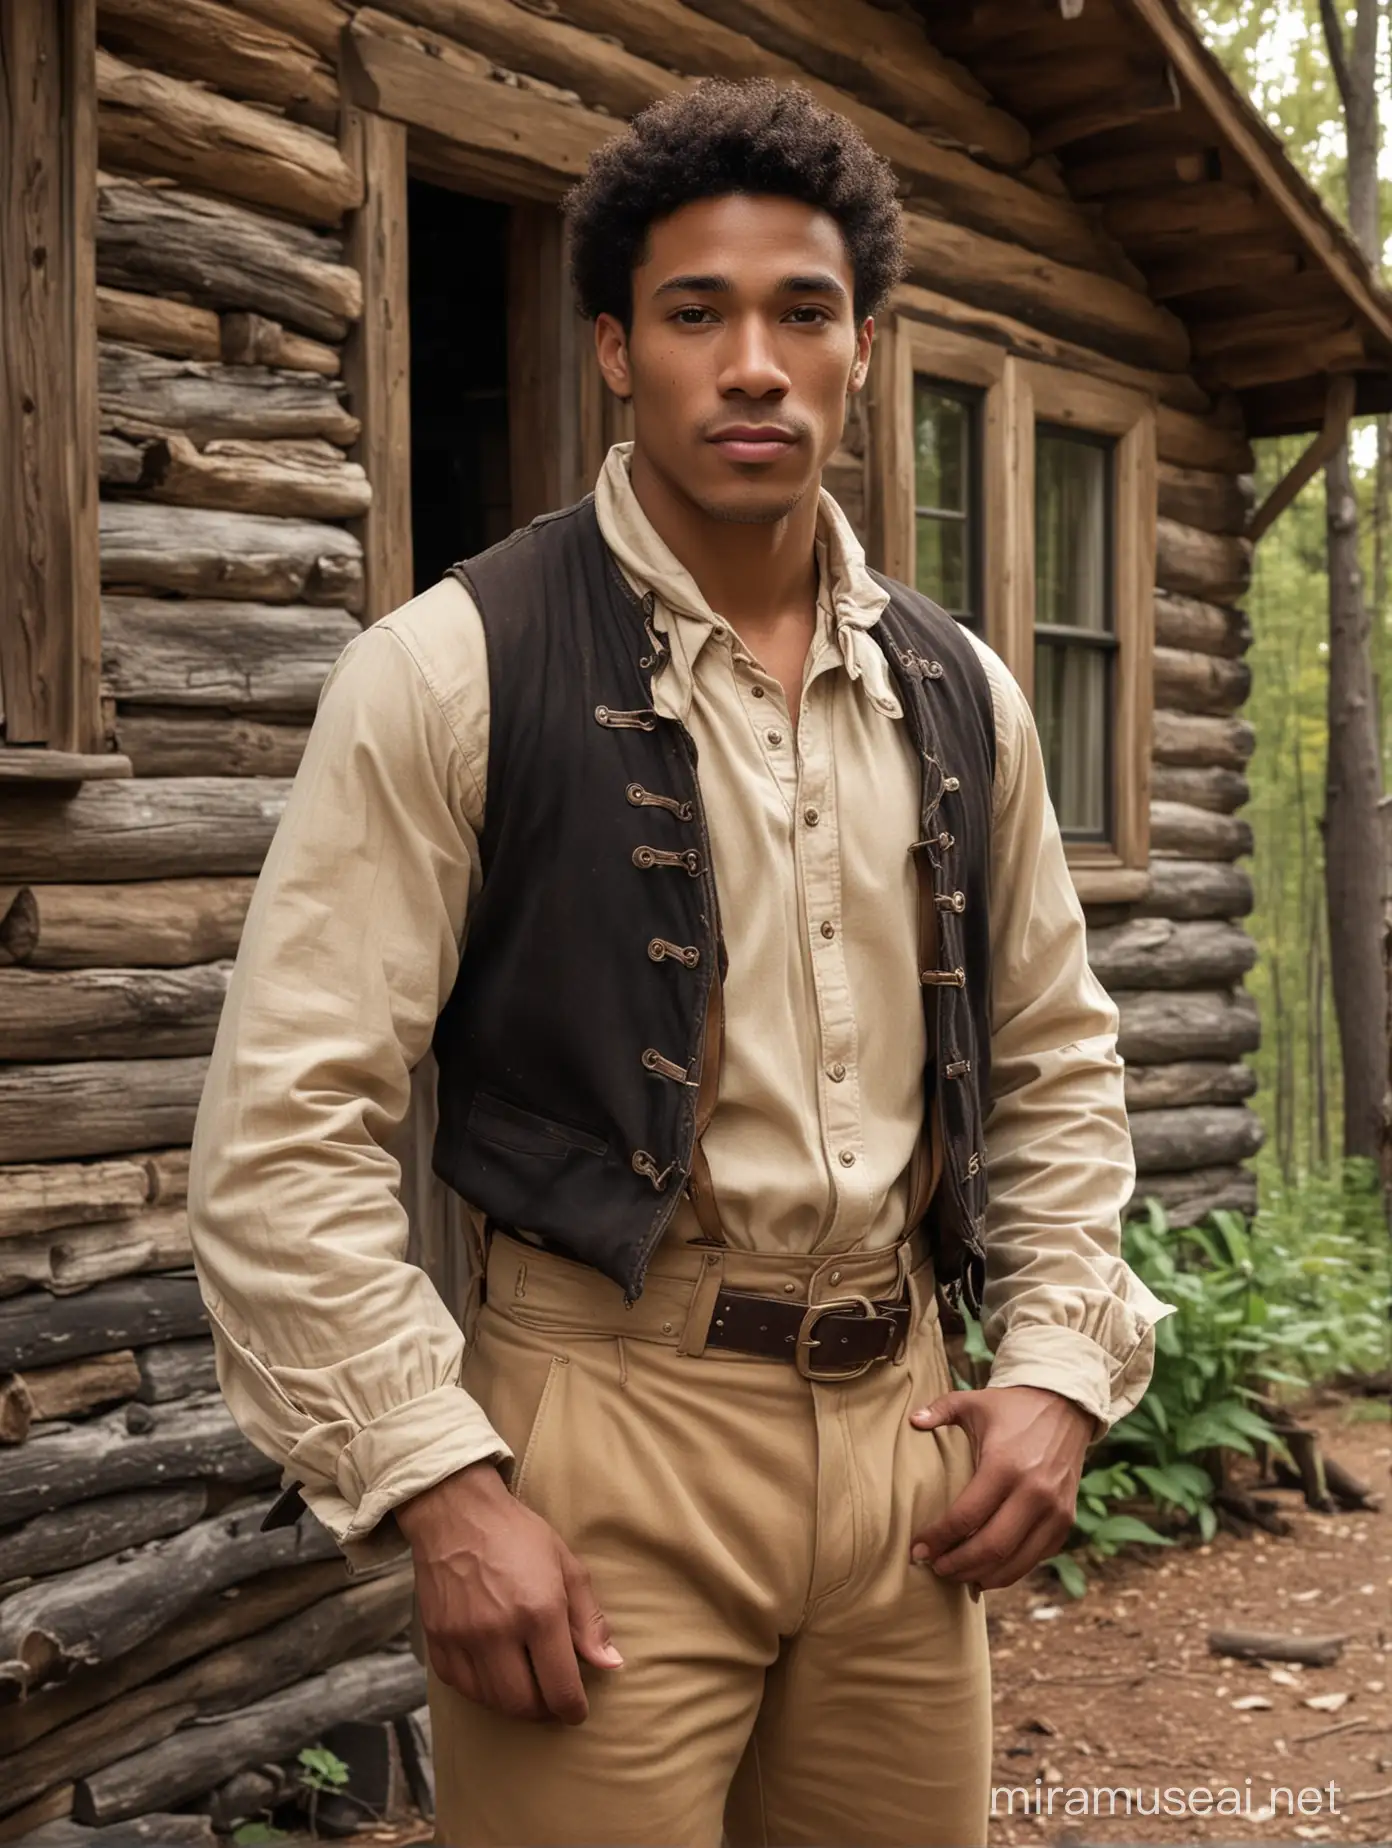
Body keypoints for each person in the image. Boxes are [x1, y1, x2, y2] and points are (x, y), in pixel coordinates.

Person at [188, 78, 1168, 1848]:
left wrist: (1058, 1365)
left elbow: (1057, 1055)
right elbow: (287, 1131)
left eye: (803, 312)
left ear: (867, 348)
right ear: (614, 354)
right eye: (697, 313)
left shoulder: (965, 696)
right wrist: (443, 1488)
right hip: (599, 1430)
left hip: (908, 1442)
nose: (754, 363)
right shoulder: (446, 669)